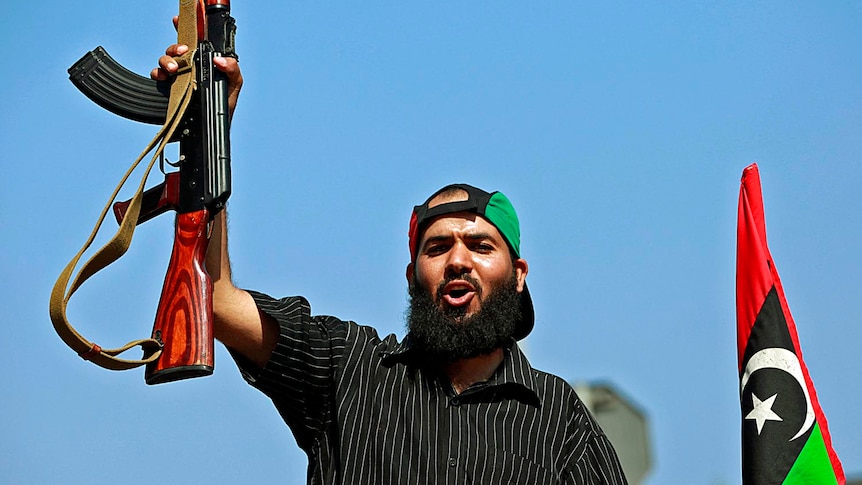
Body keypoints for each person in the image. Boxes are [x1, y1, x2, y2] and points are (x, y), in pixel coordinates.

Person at [154, 41, 628, 485]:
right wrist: (209, 128)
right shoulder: (348, 369)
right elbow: (212, 300)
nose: (458, 261)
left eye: (481, 246)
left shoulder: (560, 422)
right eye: (438, 247)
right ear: (411, 275)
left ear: (519, 276)